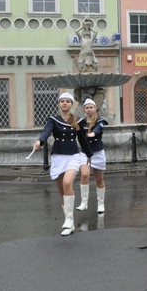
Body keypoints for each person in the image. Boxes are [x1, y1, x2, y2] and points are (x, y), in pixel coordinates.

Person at [32, 93, 92, 236]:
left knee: (67, 183)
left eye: (67, 101)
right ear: (59, 104)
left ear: (71, 104)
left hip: (73, 156)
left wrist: (89, 154)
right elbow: (46, 132)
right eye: (62, 101)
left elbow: (83, 140)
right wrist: (40, 141)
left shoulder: (77, 120)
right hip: (58, 157)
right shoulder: (53, 120)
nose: (64, 103)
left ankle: (69, 221)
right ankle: (68, 220)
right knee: (62, 191)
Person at [76, 98, 108, 214]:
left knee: (99, 179)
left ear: (95, 108)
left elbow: (99, 128)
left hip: (98, 152)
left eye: (91, 107)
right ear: (84, 109)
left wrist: (93, 133)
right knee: (85, 174)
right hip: (85, 152)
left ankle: (101, 203)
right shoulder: (81, 122)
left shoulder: (101, 120)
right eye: (87, 108)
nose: (89, 110)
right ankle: (84, 202)